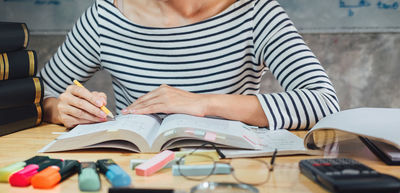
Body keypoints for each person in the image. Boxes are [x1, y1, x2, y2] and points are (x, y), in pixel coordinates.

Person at [40, 0, 340, 130]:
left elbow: (323, 102)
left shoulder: (256, 13)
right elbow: (38, 95)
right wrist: (61, 110)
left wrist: (203, 104)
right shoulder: (105, 18)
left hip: (230, 175)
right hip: (134, 177)